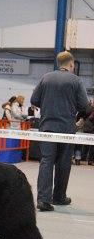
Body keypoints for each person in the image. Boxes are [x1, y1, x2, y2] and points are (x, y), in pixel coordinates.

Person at [31, 51, 92, 212]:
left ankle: (43, 200)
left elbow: (34, 100)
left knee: (46, 161)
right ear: (71, 64)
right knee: (64, 163)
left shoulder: (46, 78)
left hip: (47, 127)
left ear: (59, 64)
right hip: (66, 129)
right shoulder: (76, 80)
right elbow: (85, 106)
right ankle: (58, 197)